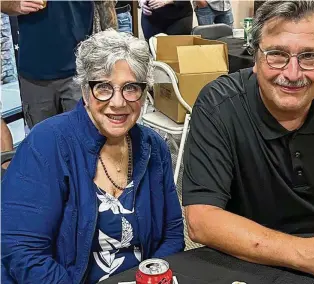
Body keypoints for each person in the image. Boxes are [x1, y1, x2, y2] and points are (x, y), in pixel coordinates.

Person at [182, 0, 314, 283]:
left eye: (309, 57)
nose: (292, 74)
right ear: (255, 57)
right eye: (277, 55)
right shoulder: (218, 105)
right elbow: (202, 221)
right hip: (245, 257)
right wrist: (308, 255)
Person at [1, 30, 185, 283]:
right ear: (85, 92)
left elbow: (173, 234)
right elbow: (23, 252)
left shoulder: (153, 146)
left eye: (131, 88)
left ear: (144, 93)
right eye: (103, 87)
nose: (118, 102)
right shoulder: (47, 143)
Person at [1, 0, 117, 129]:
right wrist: (14, 4)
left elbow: (106, 7)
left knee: (85, 139)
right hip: (35, 72)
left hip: (81, 70)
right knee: (43, 142)